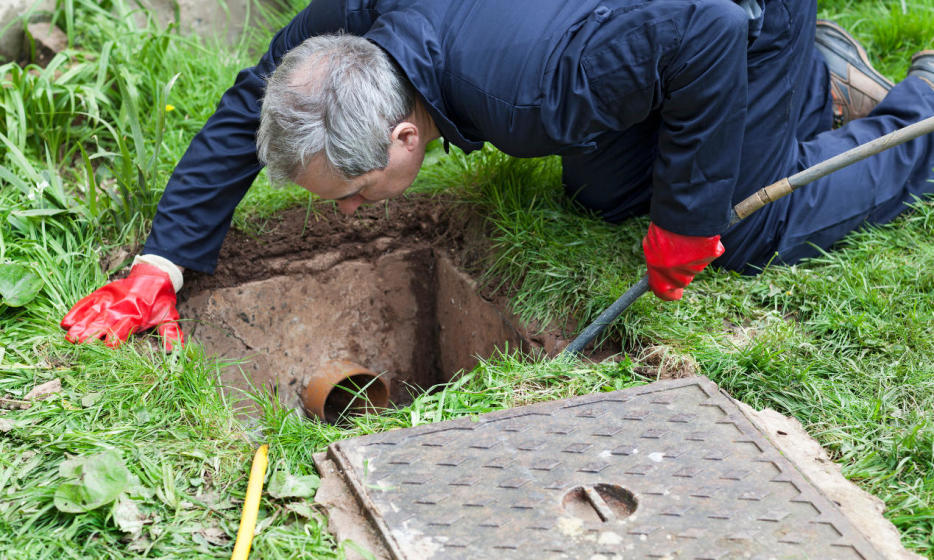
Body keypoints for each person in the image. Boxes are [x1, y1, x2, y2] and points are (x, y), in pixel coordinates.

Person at [60, 0, 934, 351]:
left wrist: (691, 218)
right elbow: (261, 86)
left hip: (727, 11)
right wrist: (161, 264)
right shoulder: (358, 25)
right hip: (642, 24)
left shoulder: (532, 94)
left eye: (358, 193)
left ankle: (910, 107)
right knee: (603, 191)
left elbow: (701, 25)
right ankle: (805, 89)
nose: (358, 213)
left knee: (742, 228)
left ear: (406, 136)